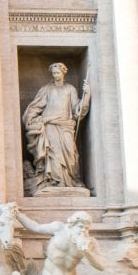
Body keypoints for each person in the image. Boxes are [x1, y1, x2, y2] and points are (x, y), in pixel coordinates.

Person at [15, 210, 105, 275]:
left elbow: (102, 266)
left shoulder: (90, 242)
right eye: (80, 227)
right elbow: (35, 227)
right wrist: (17, 214)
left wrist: (87, 252)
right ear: (72, 225)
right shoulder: (59, 228)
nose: (83, 230)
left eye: (86, 228)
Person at [23, 62, 90, 192]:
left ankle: (70, 180)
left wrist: (86, 95)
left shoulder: (70, 89)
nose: (55, 75)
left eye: (58, 72)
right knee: (53, 153)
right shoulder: (47, 89)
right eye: (53, 73)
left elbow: (77, 109)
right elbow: (36, 106)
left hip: (66, 125)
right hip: (50, 125)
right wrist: (30, 118)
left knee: (70, 153)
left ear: (64, 72)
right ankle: (54, 181)